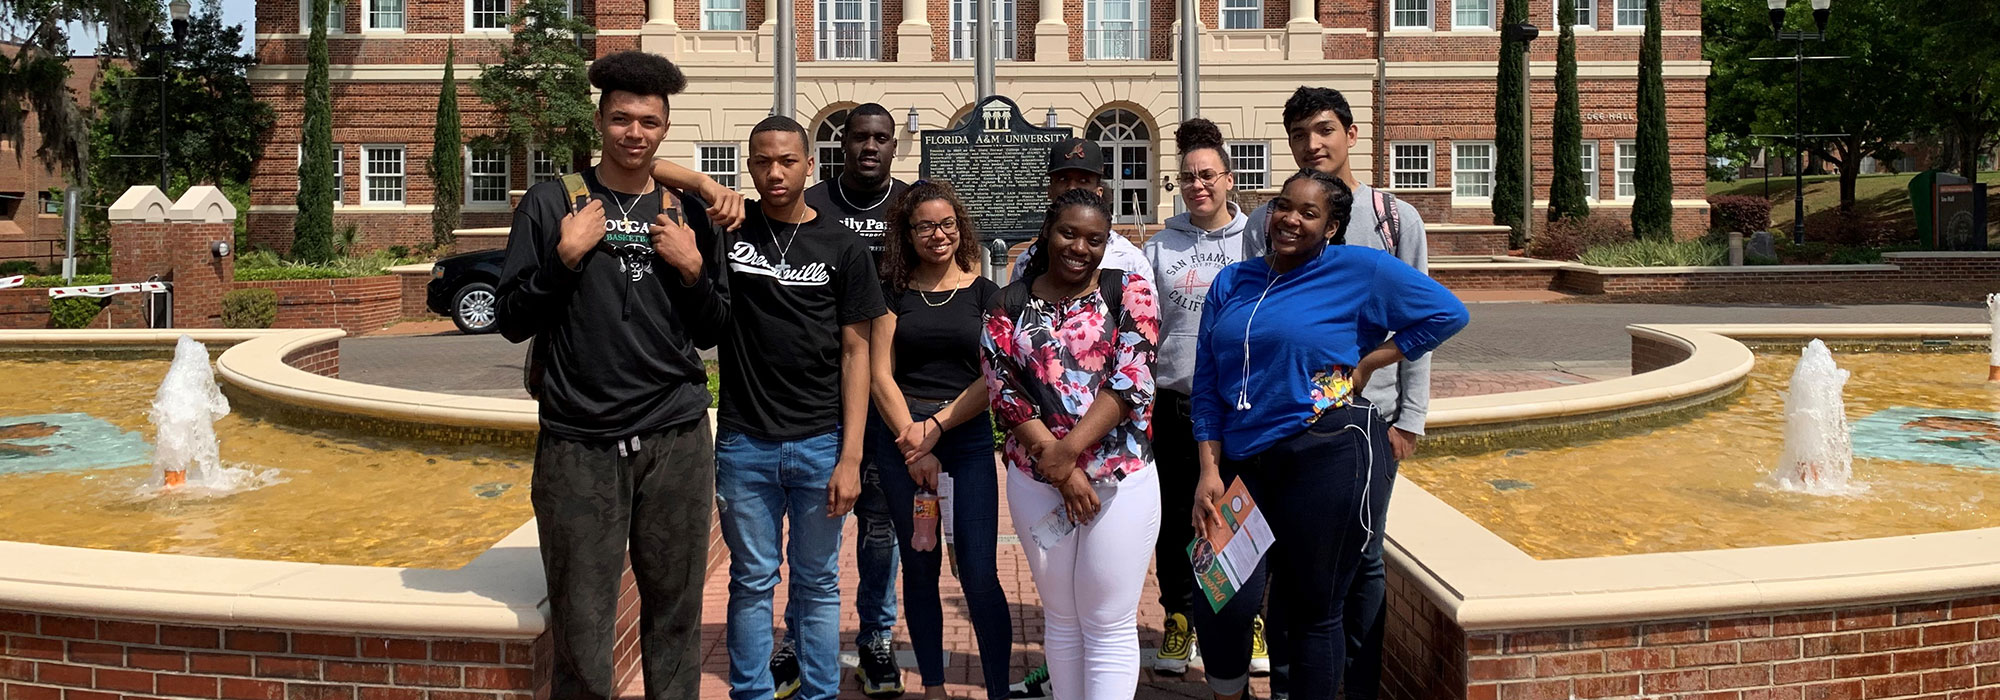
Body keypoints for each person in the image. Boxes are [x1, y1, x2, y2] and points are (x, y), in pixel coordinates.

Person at [494, 50, 725, 700]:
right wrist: (564, 259)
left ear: (664, 128)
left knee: (675, 617)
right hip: (579, 444)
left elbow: (713, 329)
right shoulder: (552, 204)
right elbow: (511, 319)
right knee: (582, 625)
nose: (635, 133)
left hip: (676, 439)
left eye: (649, 121)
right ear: (600, 121)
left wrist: (692, 270)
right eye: (622, 118)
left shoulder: (688, 214)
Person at [1191, 170, 1468, 700]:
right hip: (1244, 462)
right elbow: (1207, 381)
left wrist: (1370, 362)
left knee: (1315, 609)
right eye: (1283, 206)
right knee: (1221, 595)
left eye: (1309, 213)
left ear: (1332, 225)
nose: (1290, 219)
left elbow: (1447, 313)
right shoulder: (1234, 280)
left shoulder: (1361, 270)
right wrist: (1208, 466)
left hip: (1326, 454)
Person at [1243, 86, 1435, 700]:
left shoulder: (1394, 218)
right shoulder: (1268, 220)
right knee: (1282, 558)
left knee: (1365, 559)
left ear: (1351, 134)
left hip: (1366, 422)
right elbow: (1253, 315)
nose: (1312, 145)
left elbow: (1422, 325)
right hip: (1285, 421)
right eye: (1299, 135)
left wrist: (1410, 415)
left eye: (1324, 130)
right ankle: (1291, 682)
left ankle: (1357, 682)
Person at [714, 115, 883, 700]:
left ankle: (819, 693)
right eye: (762, 161)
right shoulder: (730, 232)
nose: (775, 171)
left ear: (811, 166)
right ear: (750, 166)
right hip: (744, 441)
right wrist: (712, 188)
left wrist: (850, 456)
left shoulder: (844, 246)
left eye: (787, 160)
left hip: (819, 442)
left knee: (817, 583)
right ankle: (752, 694)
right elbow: (653, 167)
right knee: (752, 581)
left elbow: (857, 354)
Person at [982, 189, 1162, 700]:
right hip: (1036, 482)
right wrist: (1058, 468)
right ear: (1046, 232)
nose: (1079, 247)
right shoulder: (1008, 302)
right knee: (1061, 617)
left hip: (1118, 478)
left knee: (1106, 619)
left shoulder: (1129, 292)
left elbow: (1133, 378)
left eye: (1094, 239)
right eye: (1068, 233)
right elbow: (1003, 389)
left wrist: (1067, 454)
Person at [867, 180, 1013, 700]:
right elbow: (879, 373)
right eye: (926, 225)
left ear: (961, 228)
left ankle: (999, 688)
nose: (938, 234)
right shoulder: (890, 295)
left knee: (978, 574)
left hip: (965, 439)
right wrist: (912, 438)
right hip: (900, 440)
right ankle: (933, 687)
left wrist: (937, 428)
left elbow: (994, 375)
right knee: (920, 568)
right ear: (907, 234)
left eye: (947, 223)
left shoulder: (984, 293)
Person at [1141, 118, 1264, 683]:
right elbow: (1143, 327)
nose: (1198, 186)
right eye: (1188, 177)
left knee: (1242, 516)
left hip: (1240, 406)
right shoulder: (1159, 247)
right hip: (1175, 405)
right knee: (1175, 520)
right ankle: (1179, 616)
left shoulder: (1256, 241)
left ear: (1229, 179)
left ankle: (1249, 616)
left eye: (1208, 175)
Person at [1004, 137, 1155, 288]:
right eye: (1063, 179)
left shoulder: (1130, 260)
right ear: (1049, 191)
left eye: (1083, 181)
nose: (1072, 188)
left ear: (1099, 192)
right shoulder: (1027, 261)